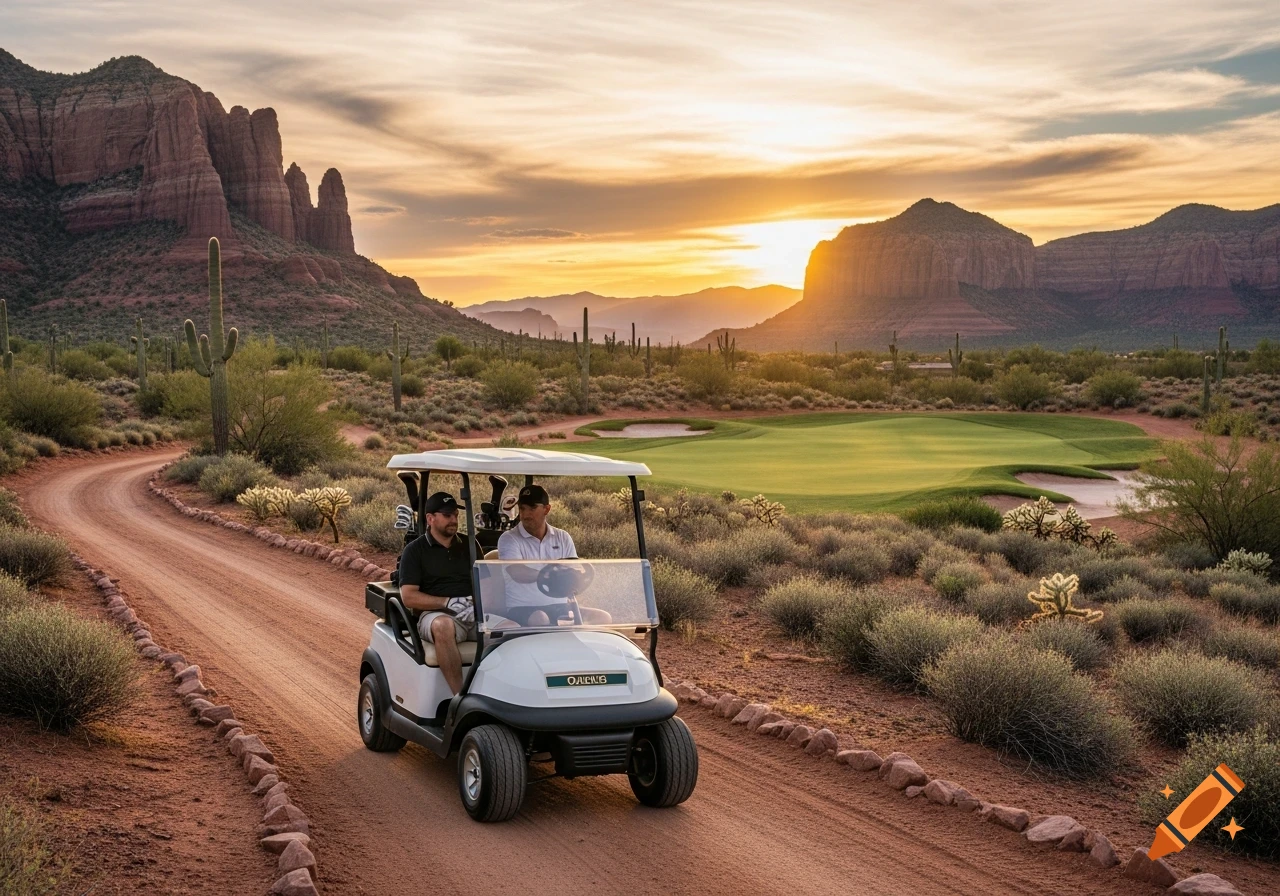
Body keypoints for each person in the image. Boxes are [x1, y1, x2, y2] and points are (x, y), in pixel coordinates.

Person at [496, 484, 610, 626]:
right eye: (522, 509)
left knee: (603, 617)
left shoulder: (562, 537)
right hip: (523, 608)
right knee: (541, 619)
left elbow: (573, 569)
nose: (525, 515)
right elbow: (517, 572)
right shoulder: (509, 539)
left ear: (546, 509)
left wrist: (577, 576)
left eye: (532, 509)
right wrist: (548, 575)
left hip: (560, 606)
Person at [397, 492, 475, 694]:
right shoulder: (415, 551)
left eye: (456, 515)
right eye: (448, 515)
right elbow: (409, 596)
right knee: (443, 626)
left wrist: (477, 604)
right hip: (435, 614)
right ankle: (459, 699)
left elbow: (486, 582)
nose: (454, 520)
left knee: (512, 627)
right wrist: (448, 603)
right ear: (430, 518)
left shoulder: (470, 545)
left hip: (471, 611)